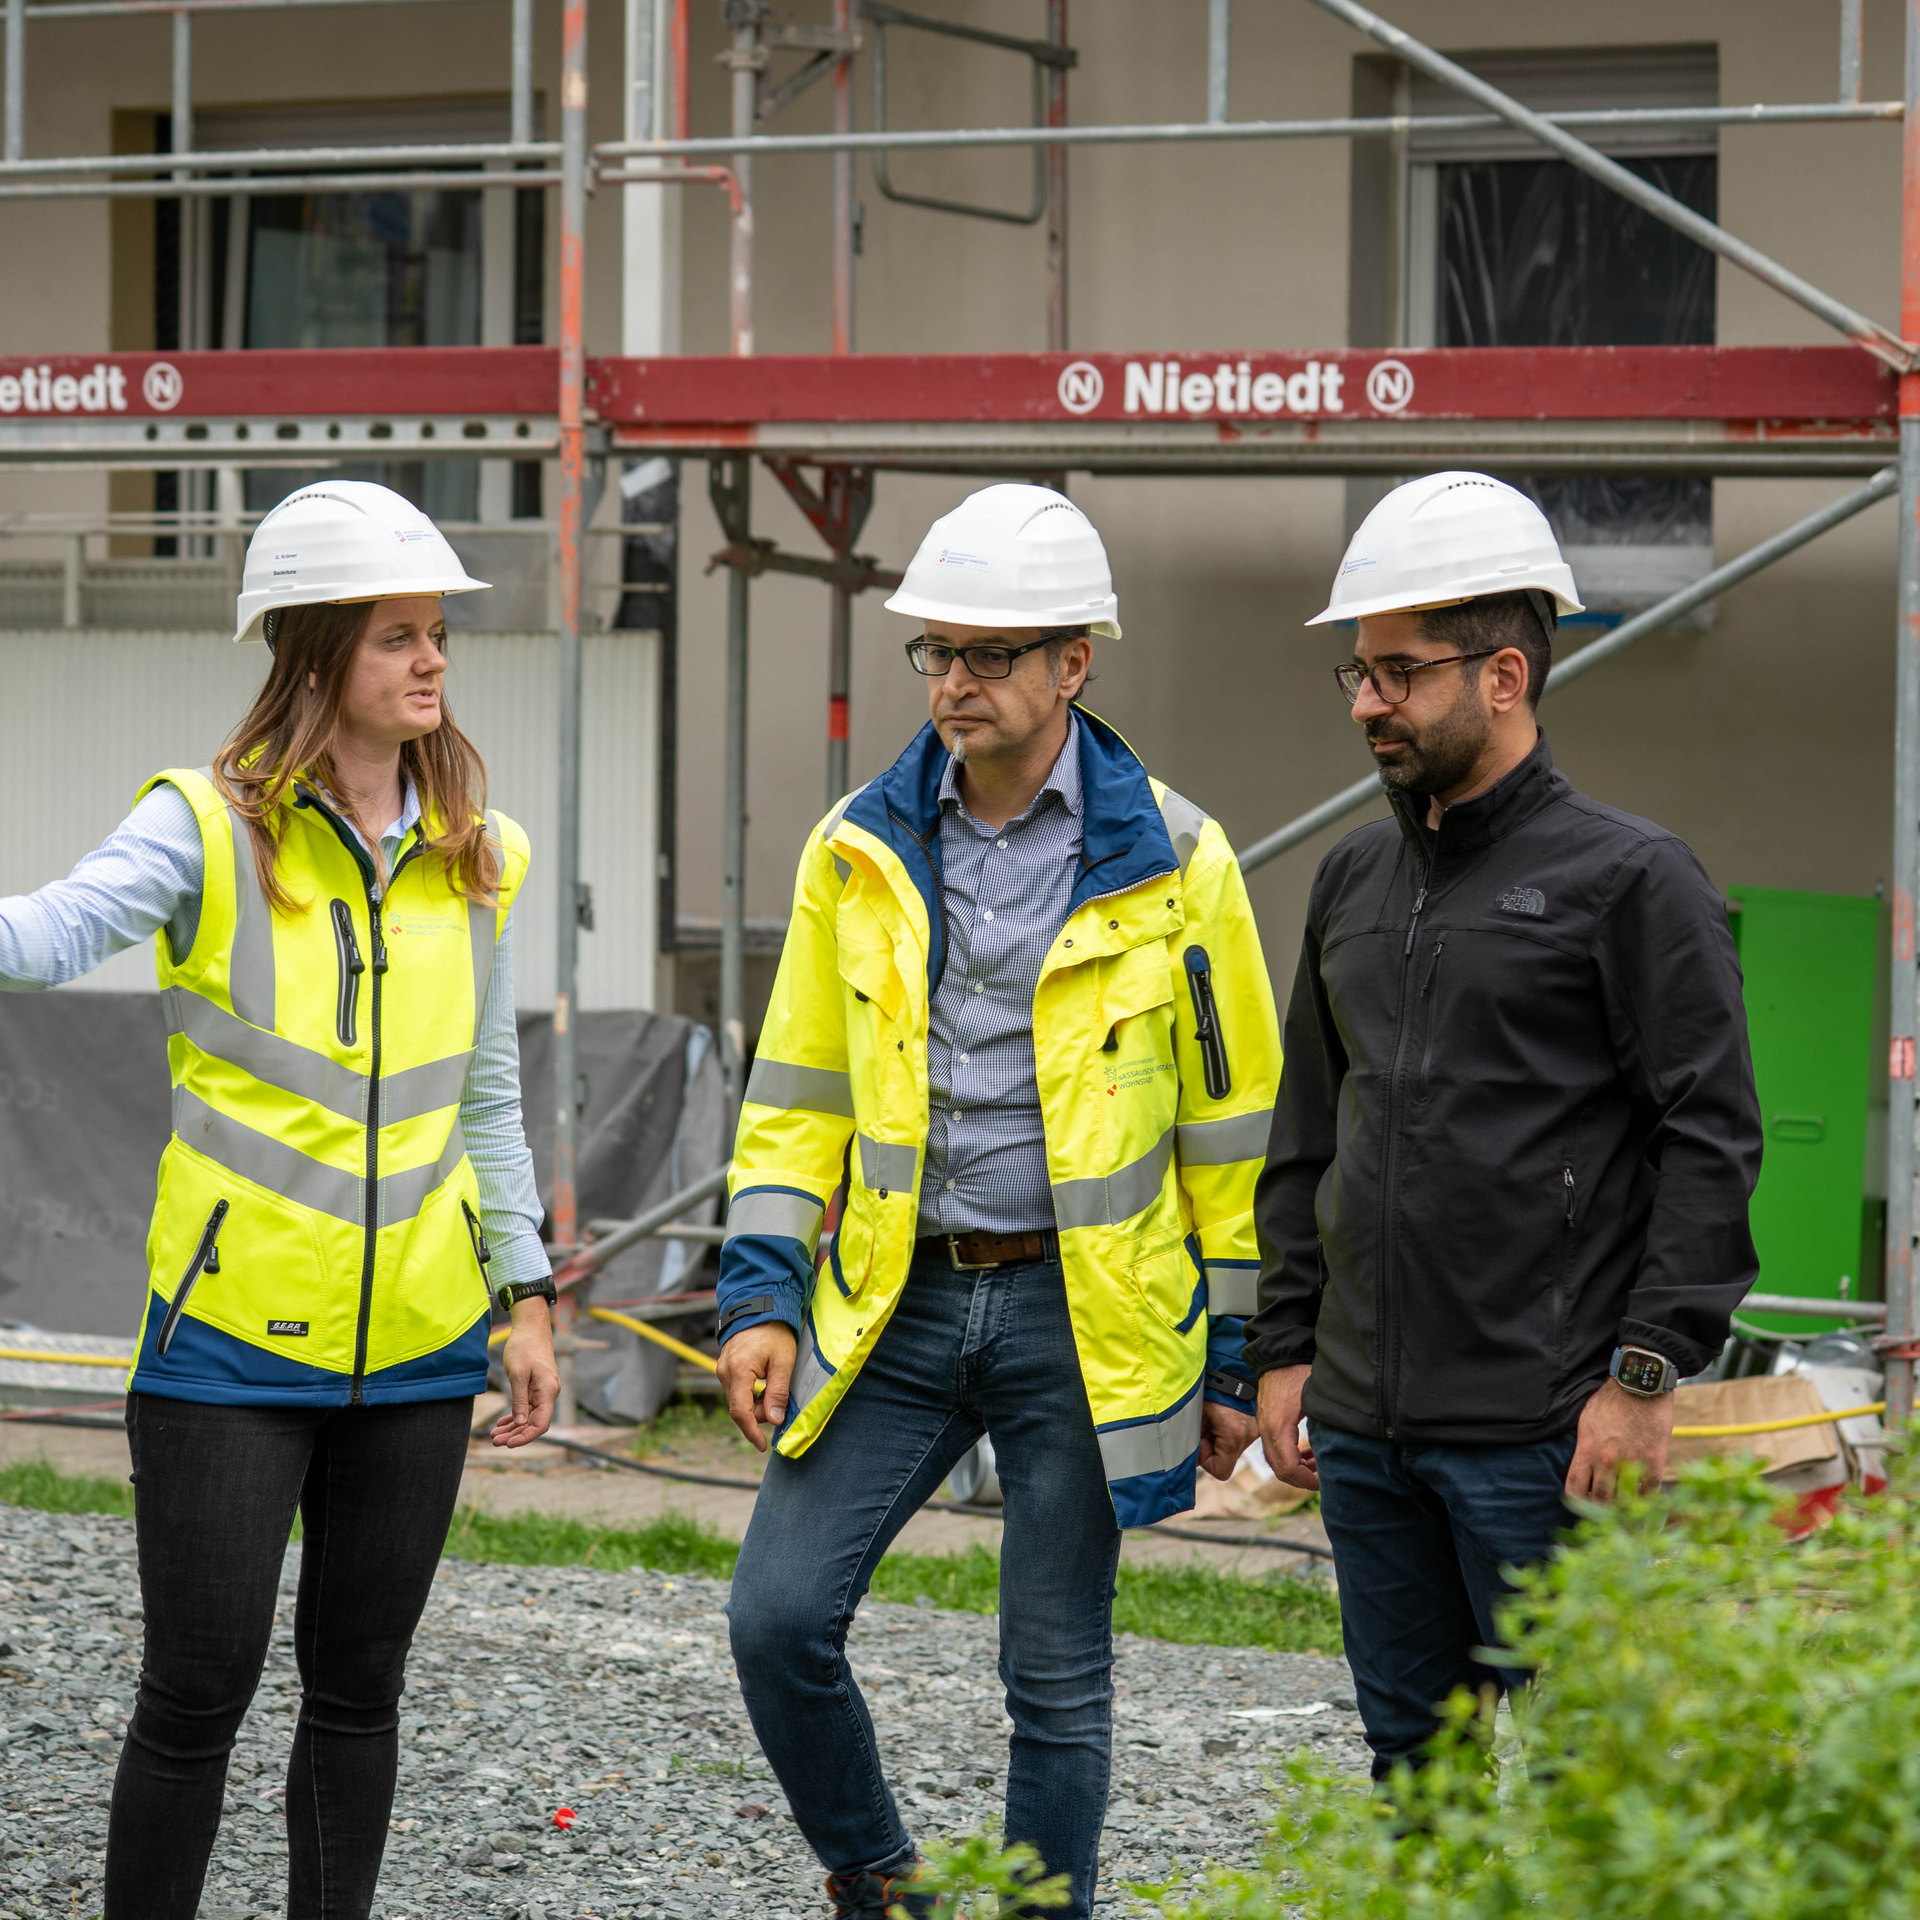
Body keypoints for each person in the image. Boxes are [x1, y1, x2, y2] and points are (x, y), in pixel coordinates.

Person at [714, 483, 1281, 1917]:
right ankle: (882, 1881)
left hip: (1077, 1316)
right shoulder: (857, 847)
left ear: (1073, 665)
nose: (952, 684)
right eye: (936, 654)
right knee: (778, 1618)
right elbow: (797, 1097)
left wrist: (1232, 1353)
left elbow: (1234, 1137)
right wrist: (763, 1297)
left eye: (988, 656)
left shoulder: (1180, 861)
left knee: (1056, 1680)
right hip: (894, 1300)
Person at [0, 480, 560, 1919]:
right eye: (397, 638)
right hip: (229, 1351)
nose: (433, 663)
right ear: (312, 655)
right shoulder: (202, 828)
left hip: (421, 1351)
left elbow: (486, 1096)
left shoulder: (478, 854)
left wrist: (528, 1290)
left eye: (438, 635)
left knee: (360, 1695)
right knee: (195, 1696)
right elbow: (49, 935)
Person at [1246, 471, 1763, 1780]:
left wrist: (1643, 1379)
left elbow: (1711, 1139)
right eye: (1359, 674)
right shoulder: (1353, 877)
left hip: (1547, 1437)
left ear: (1505, 676)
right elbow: (1312, 1128)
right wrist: (1290, 1348)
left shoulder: (1633, 880)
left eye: (1399, 673)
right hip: (1367, 1434)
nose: (1368, 702)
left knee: (1599, 1781)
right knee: (1418, 1784)